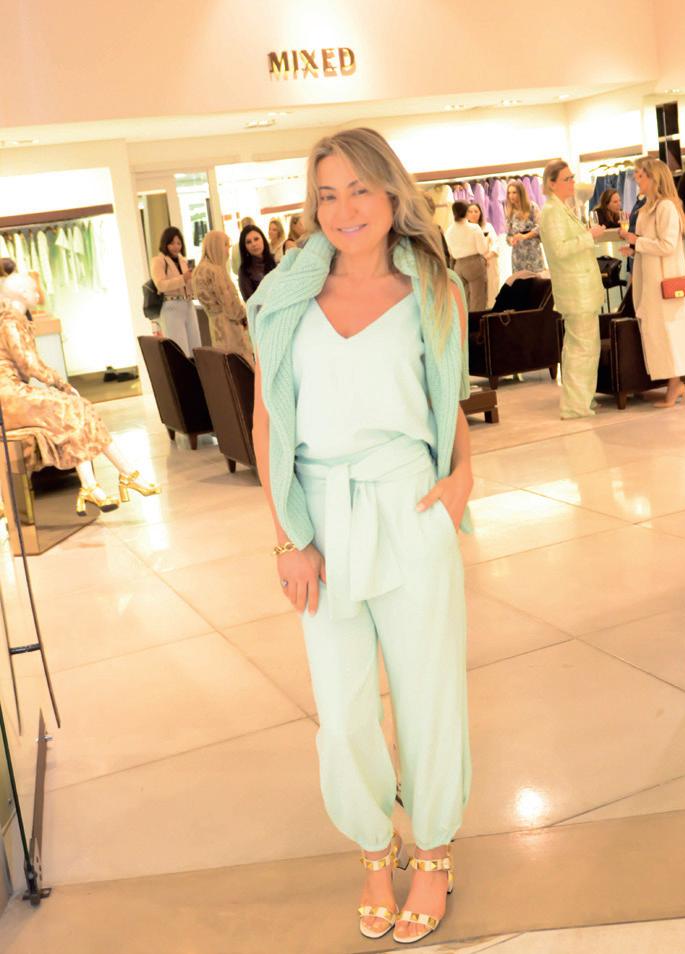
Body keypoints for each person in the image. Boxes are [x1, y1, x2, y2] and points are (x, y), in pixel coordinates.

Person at [248, 127, 472, 946]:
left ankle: (434, 850)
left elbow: (446, 396)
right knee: (341, 711)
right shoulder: (285, 297)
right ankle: (375, 848)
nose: (343, 210)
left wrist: (461, 479)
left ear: (390, 193)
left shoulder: (433, 288)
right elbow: (267, 418)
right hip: (319, 512)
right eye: (326, 194)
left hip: (409, 503)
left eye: (359, 190)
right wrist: (287, 539)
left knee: (428, 693)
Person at [0, 261, 159, 514]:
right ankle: (116, 478)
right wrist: (60, 383)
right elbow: (28, 364)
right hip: (9, 396)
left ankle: (105, 480)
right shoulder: (11, 323)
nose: (37, 294)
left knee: (78, 408)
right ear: (22, 294)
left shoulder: (14, 320)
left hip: (13, 393)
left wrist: (58, 384)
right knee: (72, 408)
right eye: (32, 289)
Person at [620, 157, 685, 406]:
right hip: (652, 279)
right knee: (658, 332)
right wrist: (634, 249)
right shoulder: (648, 207)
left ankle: (674, 385)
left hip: (665, 281)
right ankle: (670, 384)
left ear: (653, 178)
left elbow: (668, 245)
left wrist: (637, 241)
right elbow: (651, 242)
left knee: (670, 332)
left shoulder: (667, 206)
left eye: (640, 175)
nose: (636, 179)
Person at [540, 160, 606, 419]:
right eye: (566, 179)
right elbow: (559, 250)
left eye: (571, 177)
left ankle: (582, 398)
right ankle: (575, 405)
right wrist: (590, 236)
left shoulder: (561, 208)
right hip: (575, 291)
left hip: (582, 289)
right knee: (581, 349)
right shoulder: (551, 212)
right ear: (551, 183)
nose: (572, 182)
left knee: (585, 347)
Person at [191, 231, 254, 365]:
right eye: (226, 245)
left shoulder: (198, 271)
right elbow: (231, 307)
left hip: (215, 325)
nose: (228, 250)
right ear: (217, 246)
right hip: (230, 328)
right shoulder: (215, 271)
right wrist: (244, 316)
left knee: (224, 364)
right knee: (240, 366)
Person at [150, 227, 201, 358]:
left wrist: (195, 280)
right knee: (179, 349)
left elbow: (189, 284)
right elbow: (161, 285)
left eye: (179, 243)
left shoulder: (184, 261)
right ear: (165, 243)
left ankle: (194, 371)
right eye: (172, 243)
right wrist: (183, 278)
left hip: (188, 305)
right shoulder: (158, 261)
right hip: (171, 307)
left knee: (195, 347)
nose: (176, 247)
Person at [444, 200, 488, 311]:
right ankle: (477, 322)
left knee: (464, 301)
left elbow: (450, 252)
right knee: (478, 300)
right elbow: (483, 249)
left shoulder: (448, 231)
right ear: (466, 212)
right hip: (474, 264)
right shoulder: (474, 228)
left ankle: (467, 322)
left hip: (458, 266)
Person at [505, 179, 544, 273]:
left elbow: (540, 227)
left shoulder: (532, 207)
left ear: (521, 193)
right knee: (521, 280)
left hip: (533, 252)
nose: (511, 196)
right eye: (509, 193)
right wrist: (511, 240)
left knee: (537, 279)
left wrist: (525, 236)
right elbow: (508, 235)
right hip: (518, 255)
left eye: (514, 192)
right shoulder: (509, 212)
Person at [466, 203, 500, 307]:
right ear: (466, 214)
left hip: (489, 262)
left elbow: (496, 244)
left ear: (480, 213)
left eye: (476, 211)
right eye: (470, 212)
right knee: (477, 294)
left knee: (492, 290)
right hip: (474, 265)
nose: (473, 214)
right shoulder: (465, 229)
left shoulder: (488, 226)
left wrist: (487, 257)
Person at [238, 225, 276, 302]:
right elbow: (250, 302)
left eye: (256, 239)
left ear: (263, 239)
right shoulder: (244, 271)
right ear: (245, 247)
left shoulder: (275, 260)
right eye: (248, 242)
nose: (254, 244)